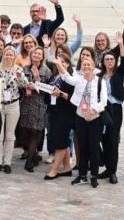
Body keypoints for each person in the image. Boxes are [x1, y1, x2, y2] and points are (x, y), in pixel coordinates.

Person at [55, 54, 107, 187]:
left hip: (94, 118)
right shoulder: (78, 79)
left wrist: (93, 111)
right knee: (82, 147)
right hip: (80, 117)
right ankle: (82, 175)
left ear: (93, 66)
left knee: (94, 147)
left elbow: (104, 102)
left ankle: (94, 175)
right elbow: (67, 77)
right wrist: (59, 64)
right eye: (84, 65)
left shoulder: (100, 81)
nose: (86, 67)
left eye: (89, 64)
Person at [44, 43, 76, 180]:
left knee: (61, 141)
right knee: (60, 139)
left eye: (63, 62)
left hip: (65, 112)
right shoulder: (54, 76)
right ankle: (67, 167)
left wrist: (61, 93)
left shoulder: (70, 78)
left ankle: (54, 169)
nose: (60, 64)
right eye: (58, 62)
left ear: (68, 64)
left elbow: (72, 97)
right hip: (54, 111)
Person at [98, 38, 124, 184]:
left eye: (111, 59)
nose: (109, 61)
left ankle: (113, 171)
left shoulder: (118, 74)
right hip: (102, 109)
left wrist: (121, 44)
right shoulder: (99, 77)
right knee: (104, 139)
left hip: (115, 109)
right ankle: (107, 167)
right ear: (103, 62)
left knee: (113, 140)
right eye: (106, 59)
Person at [18, 46, 51, 172]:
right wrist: (24, 84)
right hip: (26, 103)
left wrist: (37, 80)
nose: (37, 56)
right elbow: (19, 85)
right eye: (35, 54)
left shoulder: (46, 70)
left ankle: (29, 161)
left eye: (39, 54)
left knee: (35, 132)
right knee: (25, 131)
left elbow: (48, 90)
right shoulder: (24, 69)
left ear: (42, 56)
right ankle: (34, 155)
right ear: (31, 55)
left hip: (39, 104)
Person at [0, 45, 27, 174]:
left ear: (14, 56)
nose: (8, 57)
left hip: (13, 104)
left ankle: (7, 162)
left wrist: (20, 77)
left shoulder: (18, 69)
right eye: (6, 54)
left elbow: (24, 85)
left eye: (11, 55)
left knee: (10, 135)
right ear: (3, 55)